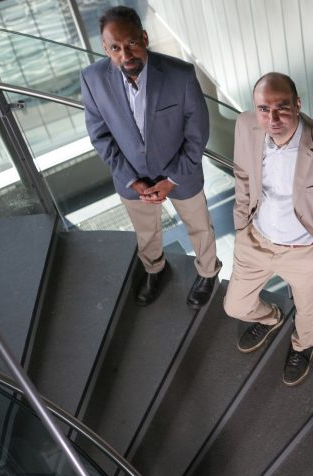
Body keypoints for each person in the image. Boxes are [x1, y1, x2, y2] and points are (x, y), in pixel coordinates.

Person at [224, 72, 313, 386]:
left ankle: (303, 346)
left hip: (304, 252)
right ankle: (271, 317)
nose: (272, 118)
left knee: (307, 312)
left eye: (282, 107)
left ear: (298, 105)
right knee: (235, 306)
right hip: (255, 239)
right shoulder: (246, 126)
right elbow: (242, 174)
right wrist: (241, 224)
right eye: (263, 109)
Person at [81, 6, 220, 309]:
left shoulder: (180, 75)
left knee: (199, 226)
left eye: (130, 42)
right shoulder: (92, 80)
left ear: (143, 37)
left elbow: (197, 134)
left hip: (181, 174)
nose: (124, 53)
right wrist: (132, 180)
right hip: (132, 179)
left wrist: (172, 179)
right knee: (146, 232)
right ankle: (155, 269)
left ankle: (208, 272)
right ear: (105, 49)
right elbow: (99, 136)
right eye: (115, 48)